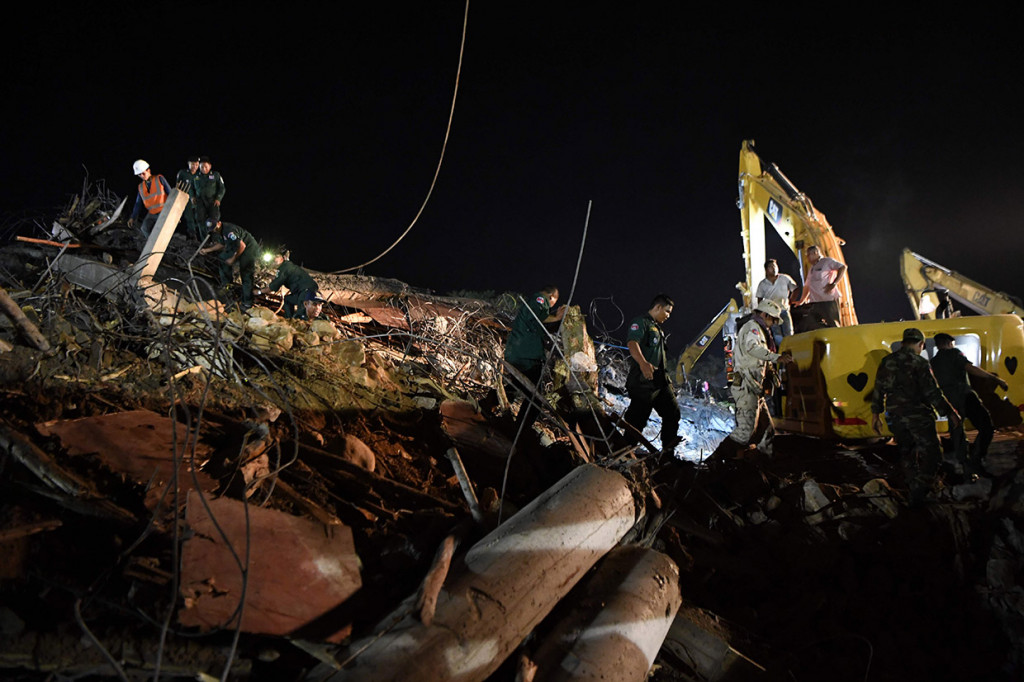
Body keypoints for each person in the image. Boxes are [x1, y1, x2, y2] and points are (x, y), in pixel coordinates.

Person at [871, 328, 961, 505]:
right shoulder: (919, 363)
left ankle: (913, 488)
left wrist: (876, 415)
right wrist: (950, 412)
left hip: (894, 417)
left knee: (907, 454)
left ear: (903, 342)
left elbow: (878, 389)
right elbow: (932, 392)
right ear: (921, 344)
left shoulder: (886, 362)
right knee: (934, 454)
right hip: (918, 416)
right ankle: (919, 492)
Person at [722, 299, 793, 457]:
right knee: (745, 432)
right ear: (765, 314)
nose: (774, 323)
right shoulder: (752, 328)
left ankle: (765, 462)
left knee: (766, 430)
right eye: (773, 319)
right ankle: (716, 460)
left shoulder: (760, 330)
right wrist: (777, 358)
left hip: (755, 386)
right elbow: (753, 348)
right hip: (747, 386)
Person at [930, 332, 1007, 475]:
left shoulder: (933, 362)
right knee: (986, 427)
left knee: (957, 432)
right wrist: (996, 379)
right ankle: (977, 458)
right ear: (948, 343)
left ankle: (964, 465)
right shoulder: (955, 353)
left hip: (949, 401)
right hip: (965, 396)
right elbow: (970, 368)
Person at [503, 286, 566, 434]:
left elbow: (540, 325)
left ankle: (488, 405)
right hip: (527, 356)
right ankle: (521, 429)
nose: (551, 307)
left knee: (517, 386)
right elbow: (538, 317)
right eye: (554, 303)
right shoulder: (540, 299)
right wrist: (556, 317)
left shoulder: (535, 303)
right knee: (535, 396)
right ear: (552, 297)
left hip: (519, 353)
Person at [623, 294, 680, 453]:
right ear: (658, 307)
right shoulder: (640, 323)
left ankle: (667, 454)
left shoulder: (657, 328)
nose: (668, 315)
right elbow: (632, 343)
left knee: (673, 414)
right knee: (636, 422)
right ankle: (624, 454)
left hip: (660, 383)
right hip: (644, 383)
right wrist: (643, 363)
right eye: (667, 311)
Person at [199, 219, 258, 310]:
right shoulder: (220, 231)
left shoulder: (229, 230)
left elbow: (242, 245)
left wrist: (233, 258)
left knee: (246, 274)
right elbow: (222, 244)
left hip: (248, 248)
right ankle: (227, 285)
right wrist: (207, 250)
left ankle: (247, 303)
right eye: (212, 229)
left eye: (214, 228)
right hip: (236, 246)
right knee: (222, 257)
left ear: (219, 223)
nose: (214, 230)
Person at [256, 251, 320, 319]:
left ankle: (301, 325)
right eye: (274, 257)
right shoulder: (286, 267)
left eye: (277, 256)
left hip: (306, 290)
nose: (275, 259)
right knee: (288, 299)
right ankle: (289, 320)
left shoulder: (284, 267)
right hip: (303, 290)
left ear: (283, 257)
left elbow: (273, 286)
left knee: (301, 314)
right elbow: (283, 278)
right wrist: (272, 277)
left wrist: (259, 291)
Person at [797, 245, 847, 328]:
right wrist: (802, 300)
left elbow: (843, 267)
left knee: (833, 324)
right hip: (816, 302)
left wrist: (834, 283)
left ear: (815, 253)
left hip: (828, 300)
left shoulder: (827, 261)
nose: (807, 257)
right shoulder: (812, 268)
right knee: (811, 323)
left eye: (808, 255)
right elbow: (807, 285)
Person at [128, 159, 172, 238]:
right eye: (139, 174)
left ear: (148, 170)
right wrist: (132, 217)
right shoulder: (141, 187)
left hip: (164, 211)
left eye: (143, 173)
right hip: (152, 213)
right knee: (144, 228)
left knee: (161, 230)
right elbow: (138, 204)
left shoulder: (159, 179)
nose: (141, 176)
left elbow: (171, 194)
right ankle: (152, 245)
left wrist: (174, 212)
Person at [755, 258, 799, 338]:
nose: (774, 268)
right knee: (777, 334)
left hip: (784, 310)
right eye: (771, 267)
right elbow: (760, 299)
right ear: (766, 270)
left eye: (775, 266)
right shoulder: (762, 284)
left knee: (789, 332)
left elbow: (795, 289)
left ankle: (789, 348)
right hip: (772, 313)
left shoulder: (785, 278)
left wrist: (790, 301)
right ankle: (781, 349)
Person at [194, 156, 226, 227]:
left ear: (210, 166)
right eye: (201, 167)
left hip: (213, 200)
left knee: (214, 219)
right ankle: (203, 237)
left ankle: (214, 237)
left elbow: (222, 188)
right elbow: (191, 188)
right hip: (200, 200)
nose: (204, 169)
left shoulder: (216, 175)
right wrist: (192, 197)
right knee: (199, 218)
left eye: (206, 167)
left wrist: (218, 198)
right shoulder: (196, 176)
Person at [175, 156, 202, 238]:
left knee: (199, 217)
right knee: (189, 217)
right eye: (193, 164)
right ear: (189, 164)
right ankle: (193, 235)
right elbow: (177, 186)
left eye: (197, 165)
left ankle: (200, 234)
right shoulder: (183, 173)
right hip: (185, 199)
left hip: (197, 200)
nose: (195, 167)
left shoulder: (200, 174)